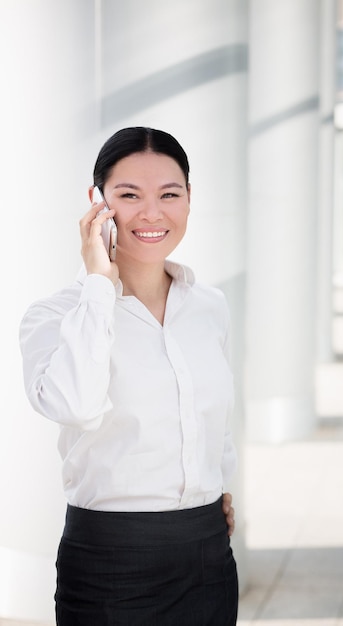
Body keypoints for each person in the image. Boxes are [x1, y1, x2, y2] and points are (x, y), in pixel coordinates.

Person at [19, 126, 238, 625]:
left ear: (189, 199)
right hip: (109, 566)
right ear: (97, 202)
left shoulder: (210, 306)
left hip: (207, 559)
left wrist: (213, 491)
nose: (152, 213)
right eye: (129, 195)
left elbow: (217, 419)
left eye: (169, 194)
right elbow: (75, 404)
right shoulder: (55, 316)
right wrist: (99, 282)